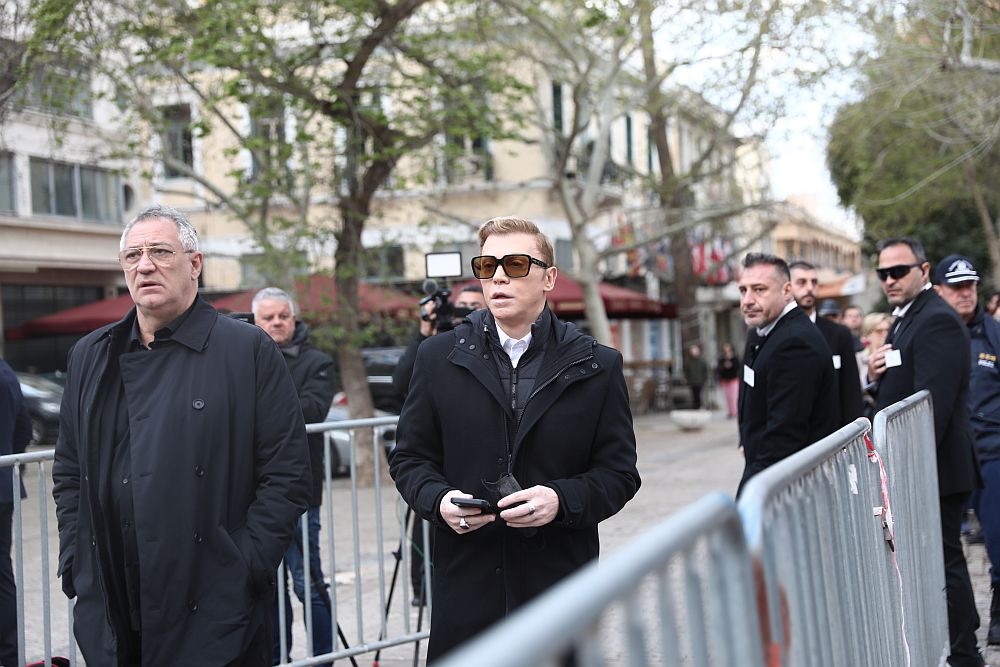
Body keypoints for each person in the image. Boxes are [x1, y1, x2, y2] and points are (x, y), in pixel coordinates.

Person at [51, 204, 312, 666]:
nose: (145, 265)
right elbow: (69, 469)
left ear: (195, 264)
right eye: (133, 256)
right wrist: (75, 560)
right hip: (112, 597)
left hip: (212, 602)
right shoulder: (90, 354)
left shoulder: (246, 349)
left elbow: (287, 471)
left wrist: (246, 563)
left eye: (160, 251)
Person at [389, 215, 640, 660]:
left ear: (549, 278)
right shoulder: (437, 357)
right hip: (467, 587)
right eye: (487, 266)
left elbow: (619, 474)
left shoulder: (597, 365)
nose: (499, 277)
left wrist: (560, 500)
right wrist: (440, 501)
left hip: (559, 586)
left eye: (516, 264)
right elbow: (410, 459)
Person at [867, 238, 984, 666]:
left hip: (935, 467)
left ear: (924, 270)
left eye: (899, 271)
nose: (890, 280)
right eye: (883, 273)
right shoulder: (909, 316)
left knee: (944, 560)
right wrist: (872, 375)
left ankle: (964, 653)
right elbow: (900, 381)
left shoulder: (935, 319)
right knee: (936, 560)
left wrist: (901, 469)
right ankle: (956, 645)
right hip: (920, 464)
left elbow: (931, 408)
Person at [253, 287, 337, 666]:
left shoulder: (317, 362)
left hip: (302, 494)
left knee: (308, 583)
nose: (276, 323)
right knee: (269, 588)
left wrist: (255, 409)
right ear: (255, 322)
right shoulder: (243, 359)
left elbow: (312, 410)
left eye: (282, 316)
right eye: (268, 318)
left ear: (294, 318)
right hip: (254, 495)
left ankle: (324, 660)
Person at [391, 283, 488, 606]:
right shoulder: (434, 348)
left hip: (472, 469)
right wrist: (424, 333)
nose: (466, 312)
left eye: (474, 306)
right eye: (462, 305)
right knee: (424, 531)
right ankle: (422, 589)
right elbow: (400, 384)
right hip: (435, 473)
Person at [933, 254, 1000, 646]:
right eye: (956, 287)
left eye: (970, 286)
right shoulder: (931, 333)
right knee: (944, 546)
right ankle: (957, 620)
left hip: (991, 452)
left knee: (997, 537)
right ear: (939, 290)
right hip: (945, 454)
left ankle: (998, 609)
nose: (965, 293)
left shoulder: (993, 334)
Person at [736, 253, 839, 495]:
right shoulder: (763, 331)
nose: (747, 300)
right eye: (743, 290)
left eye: (759, 289)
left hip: (793, 488)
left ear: (787, 291)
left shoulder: (794, 343)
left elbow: (783, 439)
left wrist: (747, 499)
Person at [789, 261, 864, 422]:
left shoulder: (839, 334)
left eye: (814, 282)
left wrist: (855, 431)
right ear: (787, 287)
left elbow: (851, 390)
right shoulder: (776, 333)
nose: (810, 288)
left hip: (833, 429)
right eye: (802, 282)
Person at [0, 359, 31, 667]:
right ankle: (10, 653)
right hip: (4, 483)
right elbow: (24, 428)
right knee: (2, 574)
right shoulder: (7, 373)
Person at [857, 312, 892, 417]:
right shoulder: (858, 359)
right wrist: (870, 378)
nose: (885, 335)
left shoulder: (895, 356)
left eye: (888, 330)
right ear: (868, 335)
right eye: (879, 331)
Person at [716, 342, 741, 418]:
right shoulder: (722, 359)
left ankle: (735, 411)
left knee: (734, 397)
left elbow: (738, 367)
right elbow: (719, 369)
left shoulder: (735, 358)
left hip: (733, 379)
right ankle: (730, 411)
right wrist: (724, 366)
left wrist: (731, 364)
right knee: (727, 397)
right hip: (725, 380)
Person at [683, 344, 709, 410]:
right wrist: (687, 380)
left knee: (699, 394)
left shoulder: (702, 361)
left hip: (700, 381)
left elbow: (705, 371)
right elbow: (687, 372)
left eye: (695, 351)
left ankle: (699, 406)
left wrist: (704, 379)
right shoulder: (689, 362)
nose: (694, 352)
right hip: (692, 381)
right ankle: (695, 406)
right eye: (693, 351)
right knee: (694, 395)